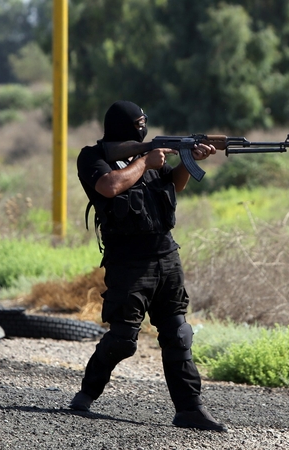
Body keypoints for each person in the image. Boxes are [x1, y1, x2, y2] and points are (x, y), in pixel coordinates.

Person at [70, 101, 226, 432]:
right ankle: (87, 392)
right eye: (137, 123)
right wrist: (144, 160)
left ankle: (189, 409)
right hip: (128, 262)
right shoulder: (93, 157)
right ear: (122, 127)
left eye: (145, 123)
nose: (143, 128)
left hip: (166, 255)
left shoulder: (153, 158)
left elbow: (176, 184)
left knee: (178, 334)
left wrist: (188, 159)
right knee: (124, 338)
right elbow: (109, 187)